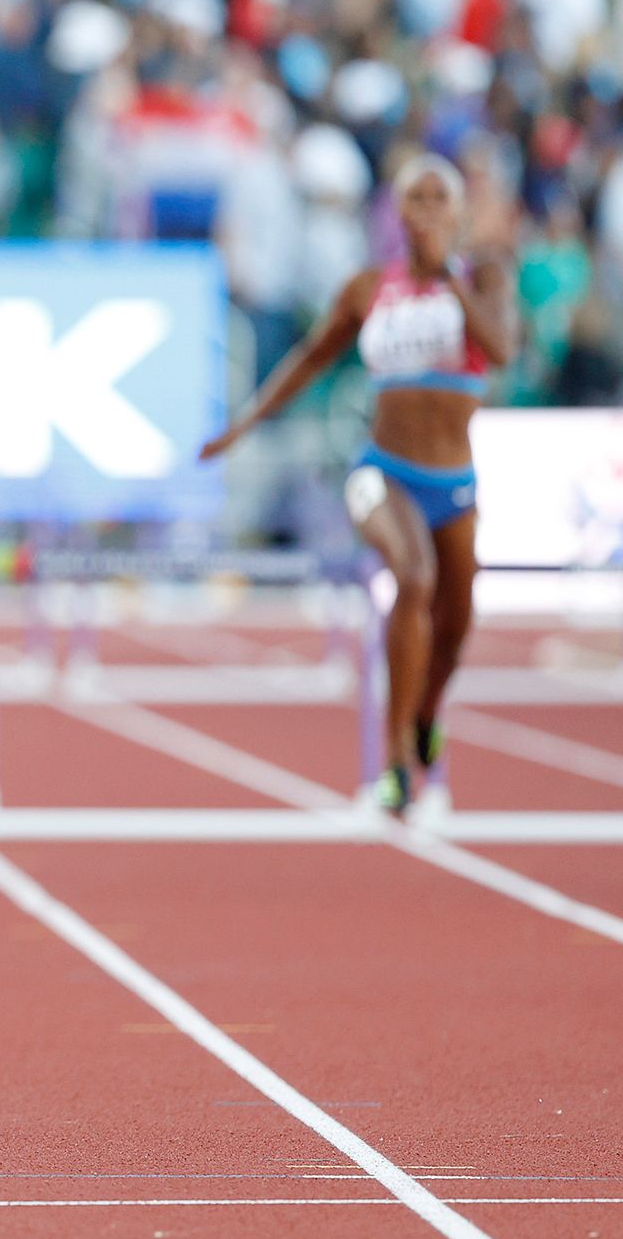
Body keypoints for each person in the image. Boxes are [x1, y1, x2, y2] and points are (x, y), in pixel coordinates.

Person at [201, 154, 512, 818]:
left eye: (439, 199)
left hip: (453, 481)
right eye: (416, 199)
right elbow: (310, 358)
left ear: (455, 213)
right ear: (397, 212)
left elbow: (503, 347)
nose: (427, 210)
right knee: (414, 576)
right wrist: (245, 423)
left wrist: (448, 279)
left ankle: (426, 713)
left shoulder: (483, 275)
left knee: (457, 622)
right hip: (381, 472)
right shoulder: (369, 287)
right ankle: (397, 759)